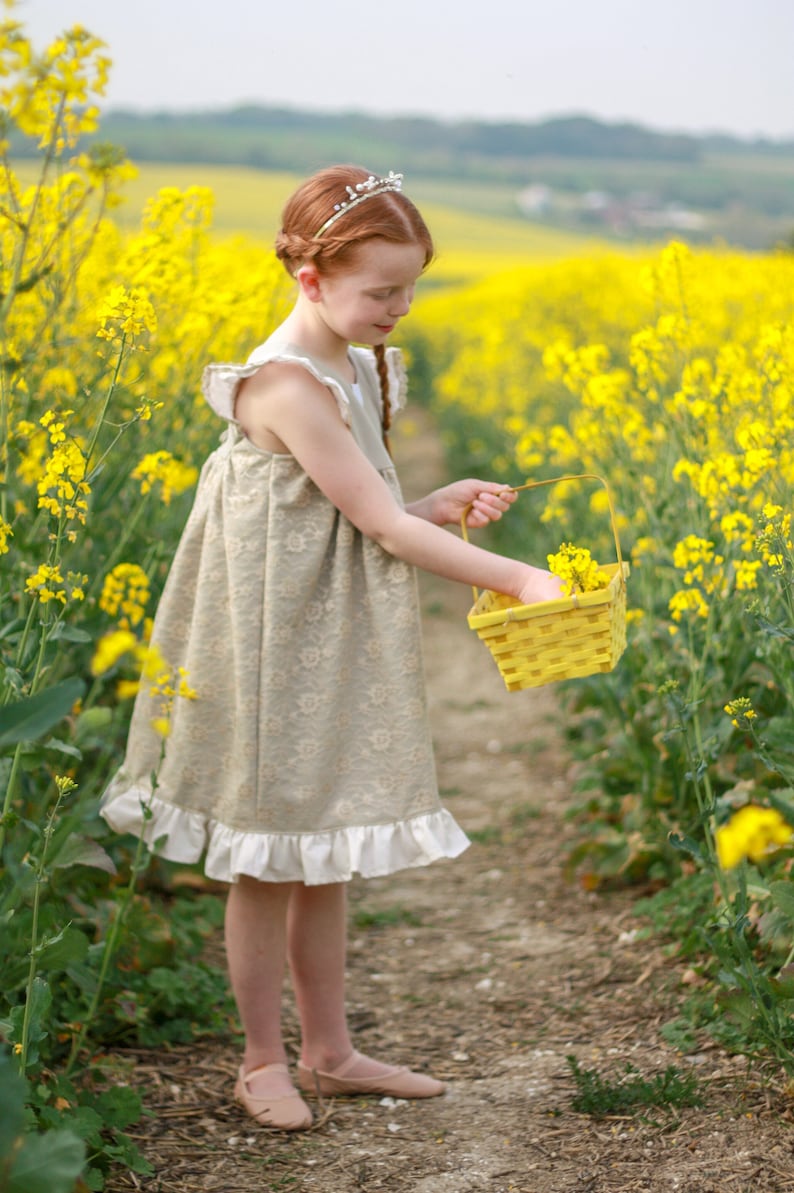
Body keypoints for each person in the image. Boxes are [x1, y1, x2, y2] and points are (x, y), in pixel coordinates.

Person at [101, 165, 563, 1131]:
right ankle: (262, 1060)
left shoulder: (359, 362)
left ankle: (331, 1050)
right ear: (310, 279)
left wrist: (436, 501)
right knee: (269, 855)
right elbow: (383, 531)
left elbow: (375, 507)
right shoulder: (286, 383)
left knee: (323, 855)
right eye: (382, 290)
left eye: (410, 287)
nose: (400, 307)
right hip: (271, 645)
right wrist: (518, 578)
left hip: (325, 629)